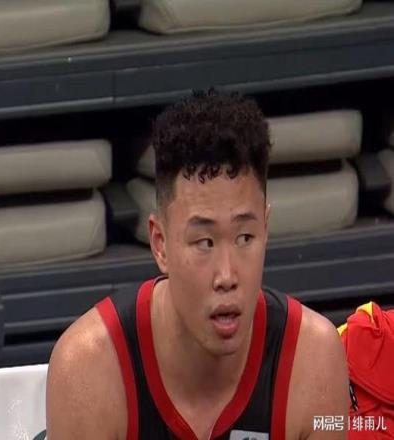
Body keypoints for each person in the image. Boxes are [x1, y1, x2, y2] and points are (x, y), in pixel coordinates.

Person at [46, 91, 350, 439]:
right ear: (160, 243)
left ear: (266, 229)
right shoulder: (90, 369)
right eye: (204, 243)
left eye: (245, 238)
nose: (227, 276)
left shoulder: (312, 362)